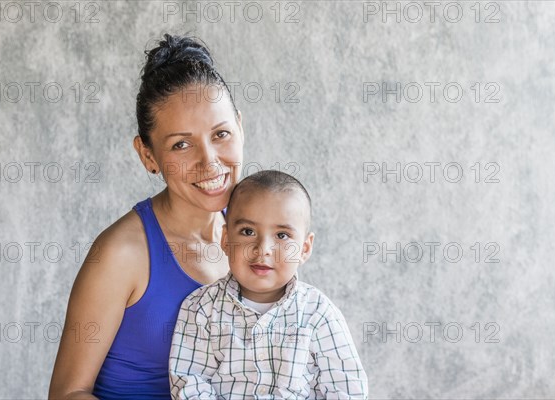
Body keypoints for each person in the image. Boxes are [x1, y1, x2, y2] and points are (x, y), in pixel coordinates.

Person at [48, 33, 244, 399]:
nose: (210, 161)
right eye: (181, 144)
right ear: (148, 155)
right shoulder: (120, 254)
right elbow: (67, 393)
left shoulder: (260, 233)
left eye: (220, 134)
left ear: (240, 127)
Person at [169, 170, 368, 399]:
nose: (263, 248)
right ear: (226, 240)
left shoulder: (319, 313)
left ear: (304, 248)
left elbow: (346, 388)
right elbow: (190, 382)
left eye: (282, 235)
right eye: (248, 231)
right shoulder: (201, 309)